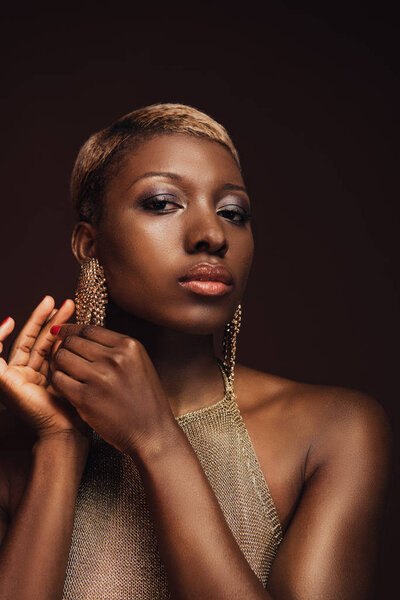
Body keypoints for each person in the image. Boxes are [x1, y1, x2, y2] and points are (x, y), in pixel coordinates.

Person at [0, 103, 392, 600]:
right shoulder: (16, 438)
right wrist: (58, 445)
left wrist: (157, 440)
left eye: (233, 213)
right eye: (163, 203)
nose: (212, 236)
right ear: (88, 245)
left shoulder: (334, 429)